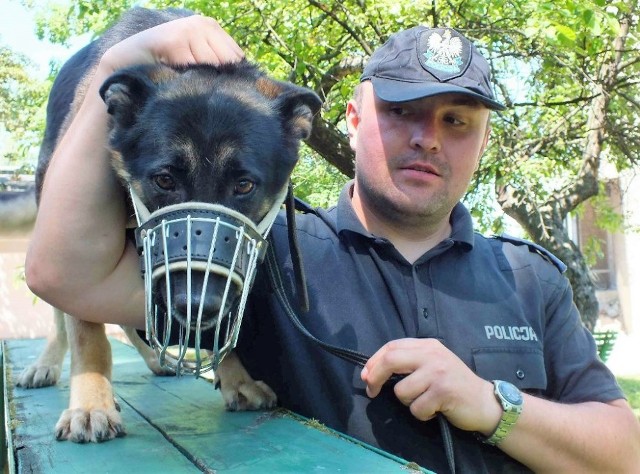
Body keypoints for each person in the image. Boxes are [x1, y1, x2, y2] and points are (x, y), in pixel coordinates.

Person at [25, 14, 640, 472]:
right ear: (349, 119)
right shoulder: (265, 260)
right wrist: (112, 70)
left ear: (481, 142)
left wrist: (493, 405)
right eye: (403, 112)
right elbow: (60, 273)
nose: (428, 138)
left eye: (457, 121)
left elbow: (624, 451)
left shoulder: (532, 277)